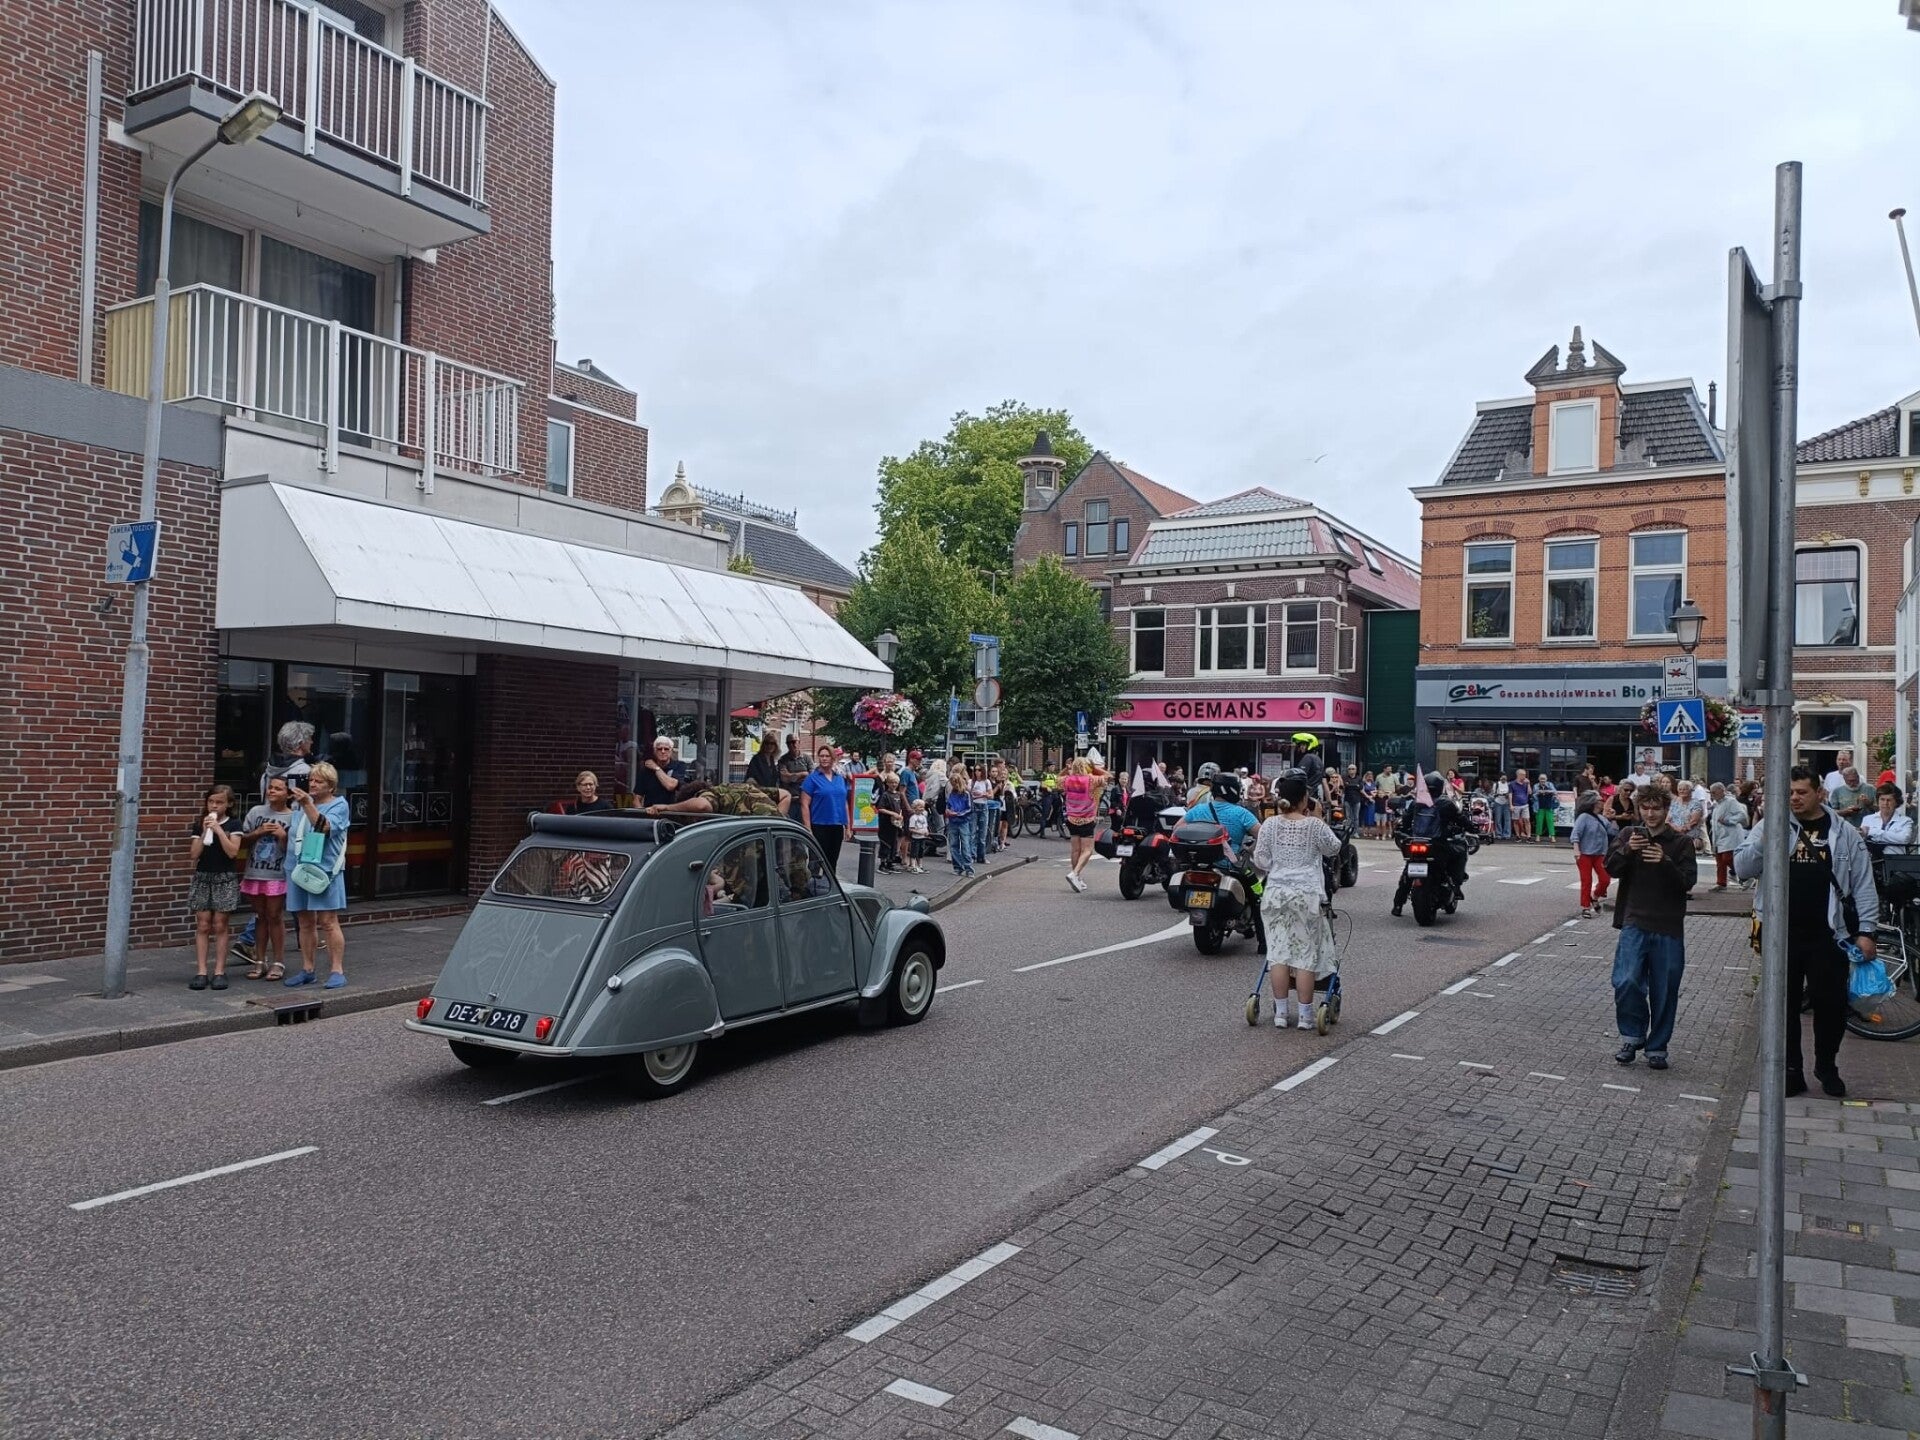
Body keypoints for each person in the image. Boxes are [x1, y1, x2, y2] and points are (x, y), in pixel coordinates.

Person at [1736, 766, 1879, 1098]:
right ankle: (1791, 1070)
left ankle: (1826, 1066)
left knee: (1831, 1005)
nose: (1794, 798)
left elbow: (1863, 885)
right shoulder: (1769, 826)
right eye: (1788, 793)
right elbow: (1742, 867)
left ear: (1819, 793)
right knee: (1782, 1006)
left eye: (1801, 792)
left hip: (1829, 935)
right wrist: (1766, 841)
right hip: (1781, 934)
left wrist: (1867, 931)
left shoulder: (1843, 832)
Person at [1604, 782, 1697, 1070]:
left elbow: (1687, 882)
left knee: (1665, 990)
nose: (1651, 814)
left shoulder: (1681, 842)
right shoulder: (1628, 835)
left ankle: (1657, 1047)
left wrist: (1665, 862)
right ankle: (1632, 1036)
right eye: (1645, 808)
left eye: (1656, 808)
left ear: (1666, 809)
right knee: (1626, 980)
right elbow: (1610, 868)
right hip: (1634, 920)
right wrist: (1627, 850)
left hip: (1668, 924)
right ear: (1639, 809)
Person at [1252, 773, 1343, 1029]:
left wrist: (1279, 865)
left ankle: (1281, 1014)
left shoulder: (1270, 824)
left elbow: (1261, 860)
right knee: (1305, 955)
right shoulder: (1314, 825)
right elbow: (1334, 848)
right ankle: (1305, 1015)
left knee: (1278, 953)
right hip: (1306, 894)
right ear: (1305, 799)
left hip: (1276, 893)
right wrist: (1318, 817)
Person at [229, 721, 316, 968]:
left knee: (289, 889)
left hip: (272, 827)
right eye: (309, 739)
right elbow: (303, 805)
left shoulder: (269, 768)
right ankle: (249, 939)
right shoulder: (303, 771)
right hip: (291, 831)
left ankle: (303, 934)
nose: (312, 743)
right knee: (284, 891)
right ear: (300, 743)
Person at [283, 761, 351, 990]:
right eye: (311, 780)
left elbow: (323, 828)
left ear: (331, 786)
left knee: (328, 921)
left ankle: (337, 970)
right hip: (298, 869)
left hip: (324, 871)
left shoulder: (339, 805)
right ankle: (307, 969)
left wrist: (306, 804)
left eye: (318, 781)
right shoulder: (299, 806)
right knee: (304, 922)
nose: (312, 784)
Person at [187, 783, 243, 990]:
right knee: (203, 925)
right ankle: (201, 971)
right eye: (211, 801)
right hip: (204, 876)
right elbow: (194, 854)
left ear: (229, 804)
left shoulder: (234, 824)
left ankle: (219, 971)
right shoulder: (199, 824)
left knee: (220, 925)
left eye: (219, 802)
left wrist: (219, 830)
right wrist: (204, 832)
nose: (214, 806)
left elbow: (233, 852)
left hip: (224, 877)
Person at [238, 777, 294, 982]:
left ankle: (278, 962)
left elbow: (295, 849)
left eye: (278, 789)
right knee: (260, 916)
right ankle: (259, 960)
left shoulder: (293, 817)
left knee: (274, 915)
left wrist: (283, 836)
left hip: (277, 874)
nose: (272, 791)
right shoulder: (256, 812)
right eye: (270, 787)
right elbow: (241, 840)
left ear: (288, 794)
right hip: (255, 872)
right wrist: (258, 832)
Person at [1391, 773, 1470, 917]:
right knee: (1460, 850)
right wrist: (1473, 828)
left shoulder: (1416, 803)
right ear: (1440, 787)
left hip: (1417, 841)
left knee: (1408, 870)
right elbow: (1461, 819)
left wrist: (1403, 831)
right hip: (1438, 843)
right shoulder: (1445, 803)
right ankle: (1456, 885)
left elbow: (1406, 822)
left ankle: (1398, 905)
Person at [799, 744, 851, 871]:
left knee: (832, 863)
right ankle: (814, 882)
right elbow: (804, 804)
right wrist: (808, 828)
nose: (824, 758)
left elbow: (844, 803)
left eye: (827, 756)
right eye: (821, 756)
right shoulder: (812, 779)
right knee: (815, 863)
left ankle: (830, 883)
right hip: (819, 826)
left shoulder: (839, 778)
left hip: (836, 826)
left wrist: (848, 827)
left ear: (832, 758)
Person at [1060, 756, 1108, 891]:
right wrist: (1094, 767)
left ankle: (1077, 877)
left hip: (1071, 818)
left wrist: (1066, 769)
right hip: (1087, 818)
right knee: (1087, 850)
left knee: (1075, 850)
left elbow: (1058, 778)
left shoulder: (1067, 780)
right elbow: (1108, 776)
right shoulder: (1091, 780)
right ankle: (1074, 873)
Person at [1572, 791, 1615, 918]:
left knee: (1605, 879)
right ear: (1594, 803)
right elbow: (1576, 834)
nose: (1603, 802)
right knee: (1586, 880)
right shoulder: (1583, 817)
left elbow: (1613, 832)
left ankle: (1594, 896)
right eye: (1600, 800)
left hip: (1600, 853)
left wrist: (1612, 818)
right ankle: (1585, 907)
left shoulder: (1602, 818)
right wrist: (1576, 850)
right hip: (1584, 853)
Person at [644, 779, 788, 818]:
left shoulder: (713, 793)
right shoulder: (742, 787)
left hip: (756, 843)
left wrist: (668, 808)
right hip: (782, 837)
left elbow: (701, 806)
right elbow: (785, 795)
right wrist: (777, 820)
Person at [1707, 783, 1750, 890]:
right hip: (1719, 835)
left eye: (1714, 792)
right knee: (1720, 860)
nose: (1712, 795)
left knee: (1728, 858)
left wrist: (1729, 820)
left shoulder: (1731, 801)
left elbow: (1741, 815)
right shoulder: (1716, 804)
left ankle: (1745, 875)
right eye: (1711, 792)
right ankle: (1721, 882)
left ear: (1722, 791)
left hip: (1731, 834)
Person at [1863, 784, 1915, 853]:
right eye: (1882, 799)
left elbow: (1904, 839)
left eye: (1889, 800)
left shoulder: (1906, 821)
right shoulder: (1867, 819)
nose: (1885, 803)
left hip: (1896, 859)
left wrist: (1872, 832)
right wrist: (1893, 837)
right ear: (1878, 801)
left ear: (1896, 802)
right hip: (1871, 859)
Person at [945, 762, 975, 877]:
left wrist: (957, 814)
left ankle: (968, 868)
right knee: (954, 845)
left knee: (965, 845)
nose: (954, 786)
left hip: (963, 822)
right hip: (953, 821)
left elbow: (970, 809)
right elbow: (949, 804)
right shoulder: (952, 793)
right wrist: (948, 811)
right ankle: (957, 867)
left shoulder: (966, 794)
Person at [637, 738, 685, 807]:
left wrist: (656, 768)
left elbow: (670, 786)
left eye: (666, 749)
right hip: (650, 812)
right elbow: (637, 798)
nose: (663, 751)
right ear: (654, 751)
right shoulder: (646, 770)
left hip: (672, 812)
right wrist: (641, 812)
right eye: (659, 749)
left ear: (671, 751)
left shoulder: (679, 766)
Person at [874, 773, 906, 873]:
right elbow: (880, 808)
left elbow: (900, 808)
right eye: (892, 782)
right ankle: (882, 864)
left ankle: (890, 863)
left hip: (895, 824)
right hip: (885, 823)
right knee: (885, 843)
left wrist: (900, 816)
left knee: (894, 843)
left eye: (896, 782)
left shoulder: (898, 795)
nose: (894, 784)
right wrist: (892, 813)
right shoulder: (885, 795)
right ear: (887, 783)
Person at [1667, 780, 1706, 852]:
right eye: (1680, 789)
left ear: (1690, 791)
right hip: (1674, 836)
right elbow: (1667, 820)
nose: (1681, 791)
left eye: (1684, 789)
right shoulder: (1674, 803)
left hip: (1689, 837)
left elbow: (1694, 821)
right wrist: (1676, 828)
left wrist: (1682, 829)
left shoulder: (1695, 803)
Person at [777, 735, 810, 804]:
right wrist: (803, 774)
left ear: (799, 742)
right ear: (787, 744)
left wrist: (791, 777)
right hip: (789, 798)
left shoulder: (807, 758)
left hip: (805, 798)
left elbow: (812, 777)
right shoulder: (782, 760)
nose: (793, 745)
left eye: (794, 742)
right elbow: (784, 778)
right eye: (789, 743)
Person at [1533, 772, 1559, 842]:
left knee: (1550, 821)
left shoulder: (1550, 784)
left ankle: (1552, 836)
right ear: (1538, 779)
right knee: (1539, 821)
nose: (1542, 780)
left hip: (1549, 805)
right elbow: (1534, 795)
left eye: (1544, 779)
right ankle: (1538, 836)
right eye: (1541, 779)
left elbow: (1555, 792)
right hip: (1539, 806)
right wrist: (1539, 792)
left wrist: (1547, 791)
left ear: (1546, 779)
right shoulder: (1536, 785)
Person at [907, 799, 930, 874]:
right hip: (916, 838)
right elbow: (911, 828)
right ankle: (913, 866)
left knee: (921, 852)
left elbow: (925, 826)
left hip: (922, 837)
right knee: (914, 852)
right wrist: (919, 832)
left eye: (923, 807)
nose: (922, 809)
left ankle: (920, 866)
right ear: (915, 807)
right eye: (920, 807)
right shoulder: (913, 818)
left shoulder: (923, 817)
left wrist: (926, 831)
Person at [1509, 770, 1532, 843]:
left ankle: (1529, 836)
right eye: (1523, 775)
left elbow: (1530, 792)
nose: (1524, 776)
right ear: (1518, 775)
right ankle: (1517, 836)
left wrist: (1528, 784)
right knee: (1516, 820)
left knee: (1527, 820)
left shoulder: (1526, 783)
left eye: (1525, 775)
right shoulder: (1512, 784)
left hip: (1525, 804)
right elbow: (1510, 795)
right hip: (1516, 804)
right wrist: (1511, 805)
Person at [1491, 773, 1512, 842]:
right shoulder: (1496, 784)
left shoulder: (1509, 784)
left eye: (1505, 778)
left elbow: (1511, 793)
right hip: (1498, 802)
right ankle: (1499, 834)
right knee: (1498, 819)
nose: (1504, 779)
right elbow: (1493, 794)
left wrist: (1507, 795)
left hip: (1506, 803)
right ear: (1500, 778)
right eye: (1502, 778)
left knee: (1507, 819)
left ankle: (1507, 834)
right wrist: (1498, 794)